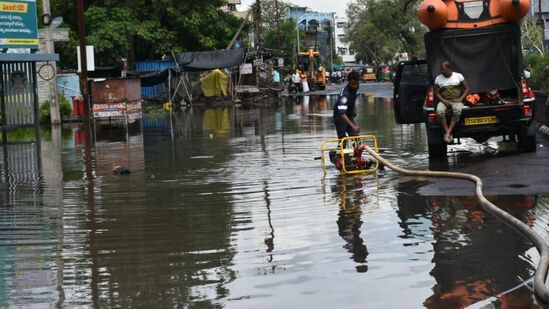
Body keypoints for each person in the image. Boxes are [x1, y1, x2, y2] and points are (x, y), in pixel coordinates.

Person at [434, 61, 469, 143]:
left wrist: (461, 98)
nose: (442, 71)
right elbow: (436, 92)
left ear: (449, 69)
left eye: (443, 70)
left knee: (457, 111)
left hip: (456, 100)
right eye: (441, 70)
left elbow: (467, 88)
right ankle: (448, 132)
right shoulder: (438, 78)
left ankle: (448, 133)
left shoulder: (458, 76)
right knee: (439, 111)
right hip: (444, 100)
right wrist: (443, 101)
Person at [333, 70, 361, 139]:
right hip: (340, 117)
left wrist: (354, 109)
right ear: (349, 82)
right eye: (353, 84)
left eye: (356, 84)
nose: (355, 86)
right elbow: (342, 114)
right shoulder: (344, 96)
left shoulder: (354, 89)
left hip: (349, 114)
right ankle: (340, 148)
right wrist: (353, 126)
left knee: (356, 138)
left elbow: (352, 100)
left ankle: (356, 149)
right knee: (343, 139)